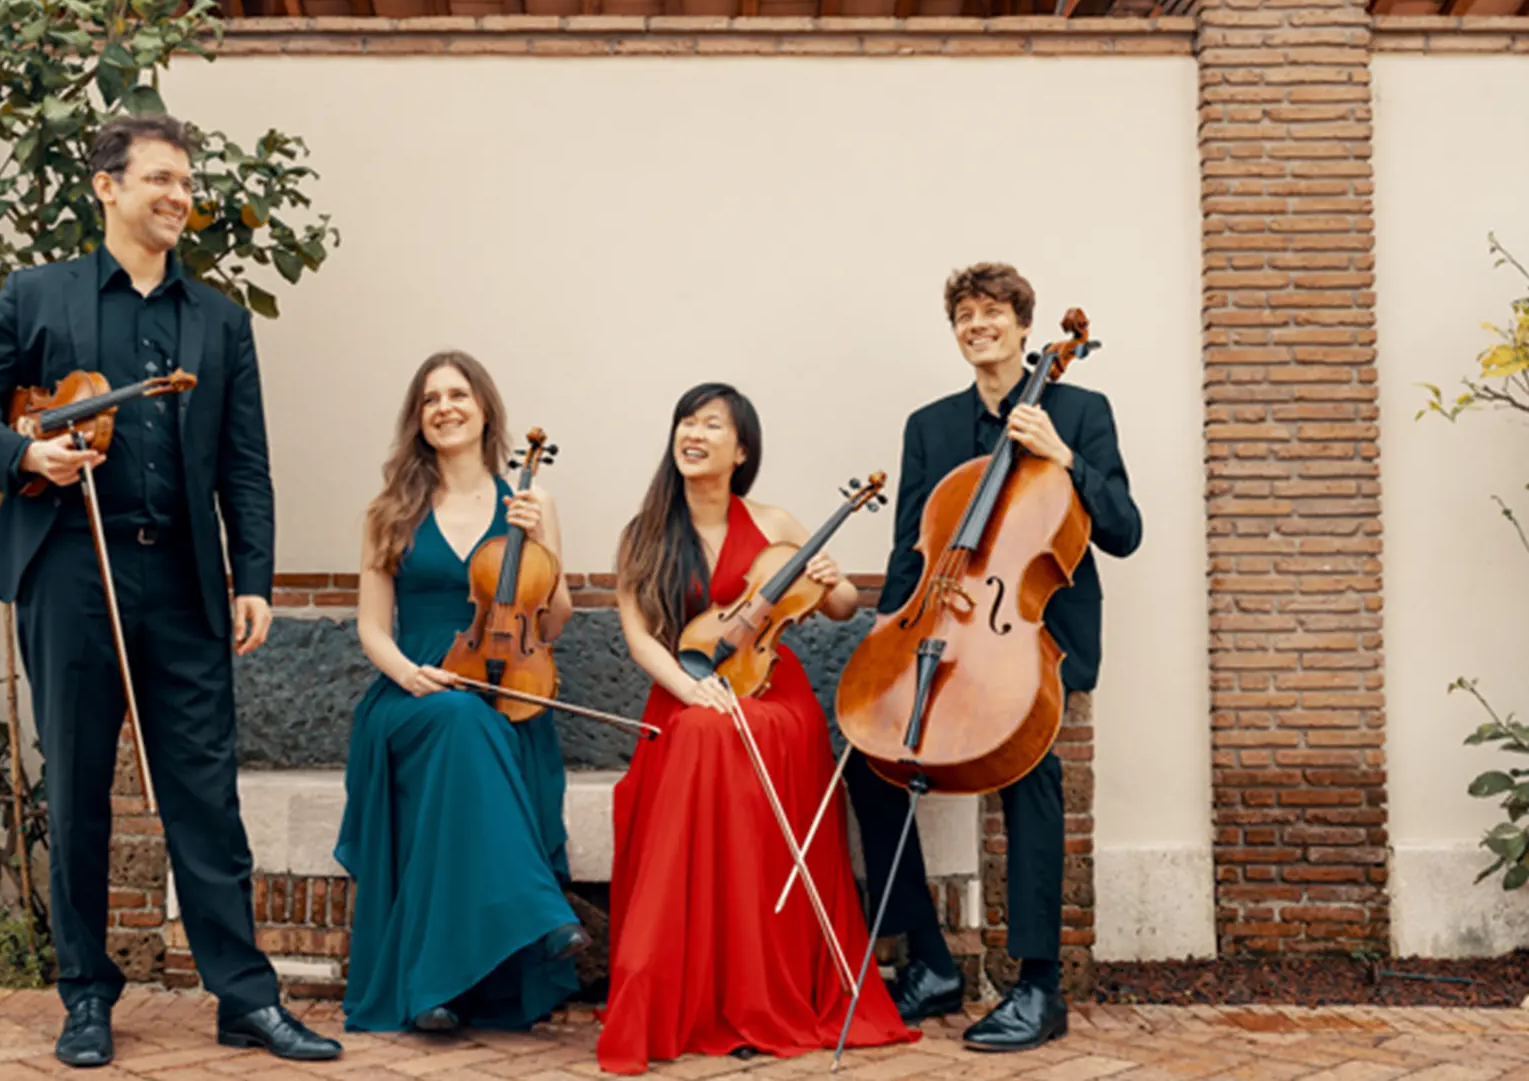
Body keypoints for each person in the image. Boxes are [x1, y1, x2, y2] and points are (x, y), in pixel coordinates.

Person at [0, 114, 341, 1067]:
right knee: (76, 789)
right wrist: (27, 454)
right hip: (72, 567)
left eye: (186, 182)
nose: (178, 195)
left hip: (184, 579)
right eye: (160, 177)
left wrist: (253, 577)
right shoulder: (38, 295)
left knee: (205, 792)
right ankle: (85, 996)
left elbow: (244, 463)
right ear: (106, 187)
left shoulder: (220, 320)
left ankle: (245, 998)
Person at [843, 262, 1142, 1051]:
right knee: (870, 763)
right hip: (939, 626)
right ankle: (929, 959)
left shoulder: (1078, 411)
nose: (977, 325)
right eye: (964, 315)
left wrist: (1064, 459)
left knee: (1028, 765)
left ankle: (1038, 984)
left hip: (1031, 628)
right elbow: (911, 546)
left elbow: (1124, 530)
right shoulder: (929, 426)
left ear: (1022, 324)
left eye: (992, 312)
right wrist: (888, 635)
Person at [596, 382, 919, 1075]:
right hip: (684, 689)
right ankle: (685, 988)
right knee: (700, 732)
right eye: (687, 421)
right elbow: (639, 636)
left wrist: (831, 578)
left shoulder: (774, 522)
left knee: (720, 733)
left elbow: (838, 605)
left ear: (741, 450)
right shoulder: (644, 533)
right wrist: (690, 688)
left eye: (712, 424)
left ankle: (756, 987)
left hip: (774, 694)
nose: (694, 433)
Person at [336, 349, 592, 1034]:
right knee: (457, 717)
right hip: (412, 695)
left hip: (506, 692)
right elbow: (371, 627)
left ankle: (434, 990)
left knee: (473, 729)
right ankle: (539, 914)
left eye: (457, 394)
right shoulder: (389, 511)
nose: (444, 408)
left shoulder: (531, 503)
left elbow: (553, 621)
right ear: (417, 419)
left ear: (484, 409)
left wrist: (541, 542)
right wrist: (407, 674)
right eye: (430, 399)